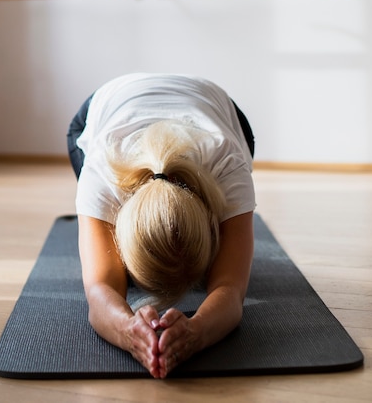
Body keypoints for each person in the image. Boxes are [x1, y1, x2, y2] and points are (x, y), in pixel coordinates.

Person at [67, 73, 256, 379]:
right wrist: (128, 331)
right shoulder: (101, 170)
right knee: (111, 271)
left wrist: (198, 332)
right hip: (107, 104)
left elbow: (231, 290)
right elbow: (99, 289)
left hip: (215, 107)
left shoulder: (227, 164)